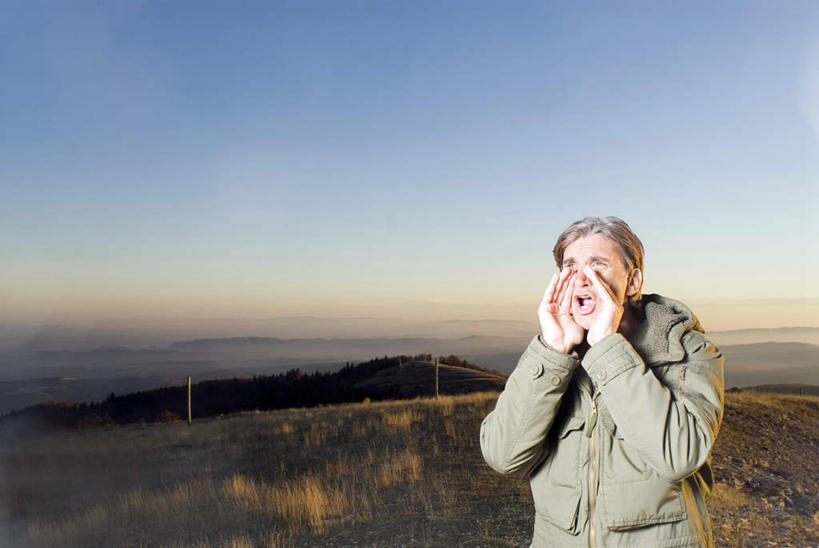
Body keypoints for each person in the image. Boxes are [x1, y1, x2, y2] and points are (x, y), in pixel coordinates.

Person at [480, 216, 725, 548]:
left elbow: (679, 456)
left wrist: (607, 346)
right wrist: (552, 351)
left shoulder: (688, 349)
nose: (583, 279)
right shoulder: (554, 355)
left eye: (598, 265)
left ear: (633, 280)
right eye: (571, 267)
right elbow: (503, 456)